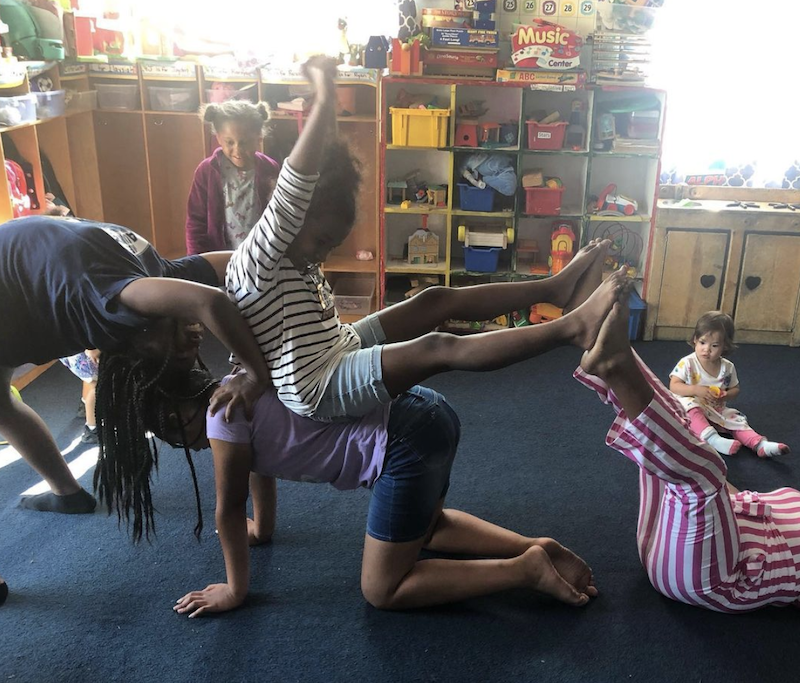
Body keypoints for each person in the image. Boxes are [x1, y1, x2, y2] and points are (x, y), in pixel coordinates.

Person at [222, 55, 626, 424]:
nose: (324, 254)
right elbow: (300, 180)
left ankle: (554, 288)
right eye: (323, 240)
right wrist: (325, 92)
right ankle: (572, 329)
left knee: (435, 300)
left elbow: (323, 164)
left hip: (338, 346)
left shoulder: (292, 254)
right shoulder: (262, 253)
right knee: (437, 347)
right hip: (318, 385)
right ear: (292, 219)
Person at [133, 368, 599, 617]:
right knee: (428, 528)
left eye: (179, 439)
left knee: (383, 589)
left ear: (180, 418)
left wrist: (235, 590)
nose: (189, 447)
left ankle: (524, 570)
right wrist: (266, 528)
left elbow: (228, 509)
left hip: (402, 440)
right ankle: (537, 548)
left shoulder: (220, 417)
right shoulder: (238, 386)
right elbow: (257, 467)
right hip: (429, 410)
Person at [0, 215, 275, 518]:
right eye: (185, 354)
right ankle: (66, 493)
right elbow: (211, 301)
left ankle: (66, 494)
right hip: (18, 279)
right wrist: (255, 374)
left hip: (30, 264)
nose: (193, 345)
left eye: (182, 353)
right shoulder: (123, 305)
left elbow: (242, 261)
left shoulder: (155, 280)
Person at [576, 294, 800, 612]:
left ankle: (614, 360)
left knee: (704, 469)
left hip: (713, 578)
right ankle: (605, 351)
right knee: (681, 440)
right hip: (666, 543)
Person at [669, 311, 790, 458]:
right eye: (702, 342)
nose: (707, 349)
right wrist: (695, 389)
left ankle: (759, 444)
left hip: (715, 408)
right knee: (689, 405)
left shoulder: (727, 367)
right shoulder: (688, 363)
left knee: (736, 420)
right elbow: (673, 386)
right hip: (690, 406)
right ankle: (713, 439)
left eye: (714, 345)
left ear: (724, 346)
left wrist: (726, 395)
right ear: (695, 340)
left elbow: (735, 389)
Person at [185, 99, 280, 255]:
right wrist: (197, 261)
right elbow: (195, 221)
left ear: (258, 138)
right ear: (219, 138)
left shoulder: (270, 168)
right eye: (230, 142)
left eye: (244, 142)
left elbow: (277, 215)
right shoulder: (206, 171)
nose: (238, 150)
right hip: (219, 258)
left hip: (260, 257)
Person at [59, 349, 101, 444]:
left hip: (73, 351)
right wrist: (94, 350)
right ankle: (92, 429)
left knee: (90, 379)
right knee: (98, 387)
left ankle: (85, 408)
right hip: (88, 353)